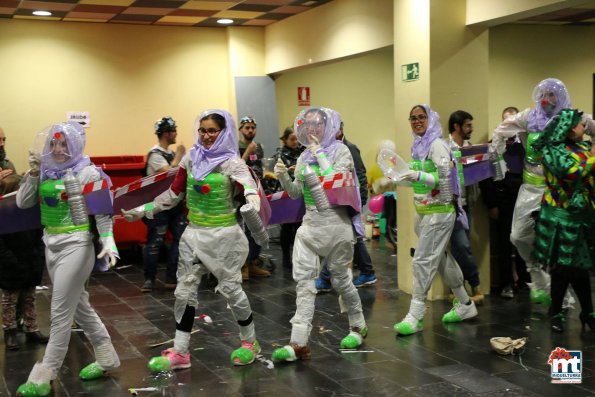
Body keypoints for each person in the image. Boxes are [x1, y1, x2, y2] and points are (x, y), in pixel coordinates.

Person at [122, 110, 264, 369]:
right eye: (202, 130)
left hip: (225, 237)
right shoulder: (191, 159)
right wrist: (143, 210)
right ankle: (180, 352)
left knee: (232, 290)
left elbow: (249, 187)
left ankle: (249, 342)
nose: (207, 136)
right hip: (194, 234)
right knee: (184, 292)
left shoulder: (232, 163)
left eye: (212, 131)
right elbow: (173, 194)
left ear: (224, 133)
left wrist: (253, 200)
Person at [16, 121, 120, 396]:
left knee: (60, 312)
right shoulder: (46, 173)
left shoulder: (87, 172)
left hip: (77, 246)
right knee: (78, 305)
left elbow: (102, 212)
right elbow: (23, 202)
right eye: (54, 144)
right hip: (51, 244)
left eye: (64, 144)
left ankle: (44, 373)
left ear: (74, 146)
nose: (58, 149)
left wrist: (108, 242)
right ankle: (108, 357)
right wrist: (34, 173)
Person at [271, 107, 368, 362]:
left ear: (328, 126)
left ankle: (358, 325)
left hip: (337, 226)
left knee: (341, 280)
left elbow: (337, 184)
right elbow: (296, 193)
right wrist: (282, 176)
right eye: (308, 125)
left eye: (317, 124)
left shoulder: (342, 151)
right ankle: (299, 342)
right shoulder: (303, 158)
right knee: (303, 283)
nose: (312, 129)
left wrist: (320, 154)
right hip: (310, 227)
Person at [390, 104, 478, 336]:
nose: (417, 121)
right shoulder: (418, 145)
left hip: (439, 211)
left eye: (422, 117)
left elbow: (444, 179)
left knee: (423, 260)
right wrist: (400, 178)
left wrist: (417, 175)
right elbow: (419, 181)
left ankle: (415, 315)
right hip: (424, 211)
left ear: (431, 119)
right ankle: (465, 304)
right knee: (440, 258)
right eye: (413, 118)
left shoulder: (437, 144)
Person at [491, 78, 571, 305]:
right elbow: (501, 128)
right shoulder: (529, 117)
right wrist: (497, 155)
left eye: (552, 95)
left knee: (559, 246)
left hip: (559, 192)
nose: (547, 99)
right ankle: (536, 273)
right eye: (543, 94)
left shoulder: (569, 118)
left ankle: (562, 300)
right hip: (531, 188)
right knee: (517, 235)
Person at [531, 108, 594, 332]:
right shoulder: (553, 150)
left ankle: (583, 312)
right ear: (567, 129)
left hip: (582, 216)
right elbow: (572, 173)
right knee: (564, 267)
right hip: (560, 217)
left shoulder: (585, 146)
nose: (584, 127)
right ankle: (563, 312)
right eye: (579, 124)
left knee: (577, 265)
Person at [316, 117, 377, 290]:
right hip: (336, 201)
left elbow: (361, 175)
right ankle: (366, 271)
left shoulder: (349, 148)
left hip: (350, 201)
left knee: (345, 238)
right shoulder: (329, 150)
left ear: (340, 129)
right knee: (348, 238)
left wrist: (360, 201)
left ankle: (327, 277)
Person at [479, 106, 529, 298]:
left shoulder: (525, 144)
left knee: (523, 238)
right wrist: (492, 204)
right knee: (503, 243)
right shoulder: (493, 146)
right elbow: (485, 177)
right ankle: (506, 282)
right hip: (503, 200)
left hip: (524, 198)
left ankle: (524, 280)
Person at [0, 175, 48, 350]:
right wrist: (11, 261)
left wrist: (37, 256)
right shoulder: (3, 214)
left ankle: (32, 328)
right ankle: (10, 332)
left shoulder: (30, 212)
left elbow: (38, 236)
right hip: (11, 265)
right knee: (9, 301)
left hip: (29, 261)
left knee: (29, 298)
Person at [141, 116, 187, 292]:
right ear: (167, 133)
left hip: (175, 204)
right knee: (155, 242)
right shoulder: (155, 154)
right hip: (158, 206)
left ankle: (172, 277)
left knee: (180, 240)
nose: (176, 133)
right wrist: (179, 155)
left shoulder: (168, 153)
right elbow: (168, 173)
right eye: (174, 130)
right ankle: (149, 279)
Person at [447, 110, 483, 304]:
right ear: (457, 127)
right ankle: (473, 284)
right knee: (460, 246)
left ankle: (461, 289)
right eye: (468, 125)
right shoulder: (445, 148)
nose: (471, 129)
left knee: (463, 246)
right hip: (451, 205)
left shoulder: (471, 148)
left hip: (466, 204)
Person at [238, 116, 270, 280]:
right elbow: (235, 168)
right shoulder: (235, 147)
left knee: (257, 228)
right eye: (247, 127)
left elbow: (258, 167)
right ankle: (242, 266)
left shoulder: (259, 147)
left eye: (253, 127)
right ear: (241, 130)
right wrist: (247, 151)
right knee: (242, 231)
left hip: (257, 193)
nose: (250, 130)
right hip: (242, 193)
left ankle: (253, 263)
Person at [272, 126, 305, 268]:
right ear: (285, 140)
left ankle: (299, 255)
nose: (295, 141)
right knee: (286, 227)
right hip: (285, 193)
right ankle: (286, 257)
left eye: (297, 138)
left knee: (299, 226)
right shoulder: (279, 155)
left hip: (300, 192)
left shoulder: (303, 153)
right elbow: (276, 173)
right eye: (292, 139)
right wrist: (287, 170)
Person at [367, 140, 397, 253]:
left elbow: (370, 183)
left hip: (385, 198)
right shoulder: (395, 164)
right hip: (394, 197)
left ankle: (392, 241)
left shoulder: (377, 166)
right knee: (393, 220)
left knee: (389, 220)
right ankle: (393, 241)